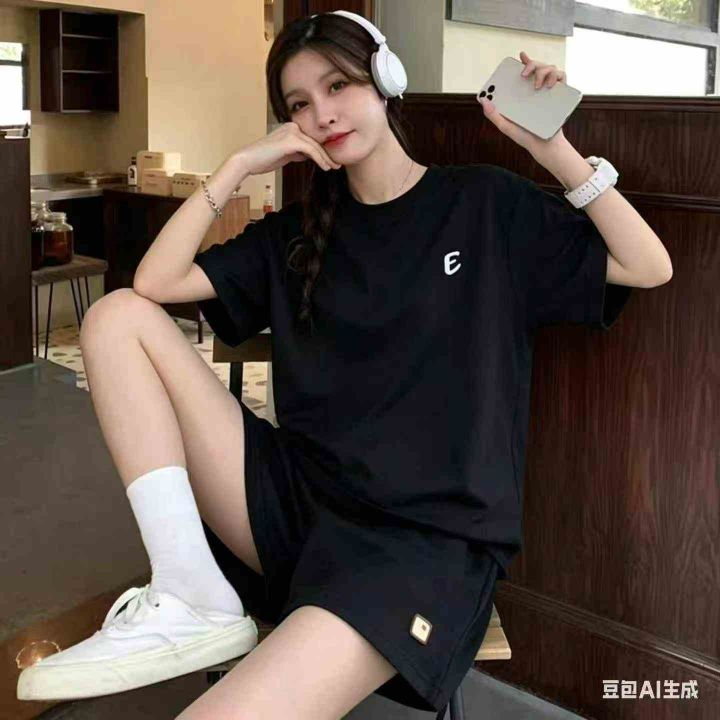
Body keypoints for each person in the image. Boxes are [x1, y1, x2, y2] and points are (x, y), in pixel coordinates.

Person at [17, 11, 639, 719]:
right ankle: (188, 589)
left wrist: (552, 148)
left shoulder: (482, 204)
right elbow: (154, 285)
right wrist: (240, 165)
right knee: (115, 316)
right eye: (300, 103)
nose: (322, 114)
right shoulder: (298, 237)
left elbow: (645, 265)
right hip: (298, 507)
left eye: (338, 85)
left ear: (385, 80)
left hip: (419, 549)